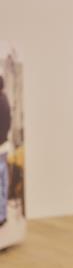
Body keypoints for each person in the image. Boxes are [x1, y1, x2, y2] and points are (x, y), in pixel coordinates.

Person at [0, 75, 11, 226]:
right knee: (3, 181)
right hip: (4, 146)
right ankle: (3, 215)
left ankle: (1, 216)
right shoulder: (5, 100)